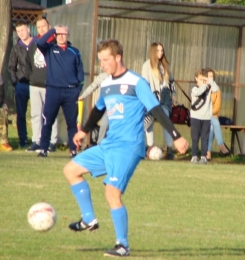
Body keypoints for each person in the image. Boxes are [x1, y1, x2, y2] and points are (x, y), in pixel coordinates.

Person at [63, 39, 188, 257]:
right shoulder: (107, 84)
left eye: (105, 60)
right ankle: (89, 219)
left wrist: (176, 137)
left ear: (117, 57)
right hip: (109, 144)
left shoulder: (136, 82)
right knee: (70, 170)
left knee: (112, 193)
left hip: (128, 147)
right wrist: (83, 131)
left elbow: (157, 110)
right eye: (100, 61)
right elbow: (98, 109)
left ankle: (123, 245)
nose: (102, 65)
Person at [36, 24, 84, 158]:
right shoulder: (49, 49)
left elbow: (80, 73)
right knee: (48, 121)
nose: (61, 36)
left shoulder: (74, 51)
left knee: (72, 123)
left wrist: (77, 90)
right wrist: (52, 31)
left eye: (64, 34)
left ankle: (73, 150)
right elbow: (40, 42)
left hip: (70, 92)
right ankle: (43, 149)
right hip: (53, 90)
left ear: (68, 35)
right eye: (59, 34)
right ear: (55, 36)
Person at [25, 18, 58, 152]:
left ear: (49, 26)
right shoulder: (34, 43)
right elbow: (27, 62)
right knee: (35, 114)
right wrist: (30, 77)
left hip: (49, 85)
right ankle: (36, 140)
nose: (41, 29)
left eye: (43, 26)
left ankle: (52, 141)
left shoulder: (54, 43)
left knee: (50, 114)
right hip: (34, 84)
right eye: (38, 27)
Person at [142, 42, 177, 160]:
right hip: (152, 99)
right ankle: (149, 147)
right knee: (148, 124)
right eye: (158, 51)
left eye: (162, 51)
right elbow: (144, 84)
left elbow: (171, 81)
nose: (161, 53)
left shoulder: (165, 65)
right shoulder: (147, 65)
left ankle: (169, 148)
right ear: (153, 52)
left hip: (165, 98)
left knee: (166, 122)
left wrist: (174, 94)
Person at [8, 22, 36, 148]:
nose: (21, 33)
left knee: (38, 113)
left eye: (22, 30)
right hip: (22, 84)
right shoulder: (16, 48)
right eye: (18, 31)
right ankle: (23, 140)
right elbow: (11, 67)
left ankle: (38, 140)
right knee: (21, 113)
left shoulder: (37, 44)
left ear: (28, 30)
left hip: (37, 84)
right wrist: (15, 82)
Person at [190, 68, 219, 164]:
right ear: (196, 78)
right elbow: (199, 92)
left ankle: (203, 157)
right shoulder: (194, 89)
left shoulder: (209, 87)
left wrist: (209, 81)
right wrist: (205, 86)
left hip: (206, 117)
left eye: (204, 78)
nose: (203, 80)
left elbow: (216, 89)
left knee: (205, 138)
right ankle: (194, 156)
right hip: (195, 117)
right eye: (201, 78)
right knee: (195, 138)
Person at [78, 72, 109, 145]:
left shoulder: (119, 77)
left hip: (118, 107)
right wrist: (83, 96)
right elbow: (92, 86)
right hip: (105, 106)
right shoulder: (102, 76)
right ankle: (100, 144)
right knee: (105, 124)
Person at [206, 68, 230, 160]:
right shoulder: (202, 88)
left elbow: (217, 107)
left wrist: (210, 113)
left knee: (212, 126)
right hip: (203, 115)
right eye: (208, 76)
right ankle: (221, 145)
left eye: (212, 76)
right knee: (215, 122)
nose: (210, 78)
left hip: (212, 116)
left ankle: (208, 153)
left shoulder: (217, 90)